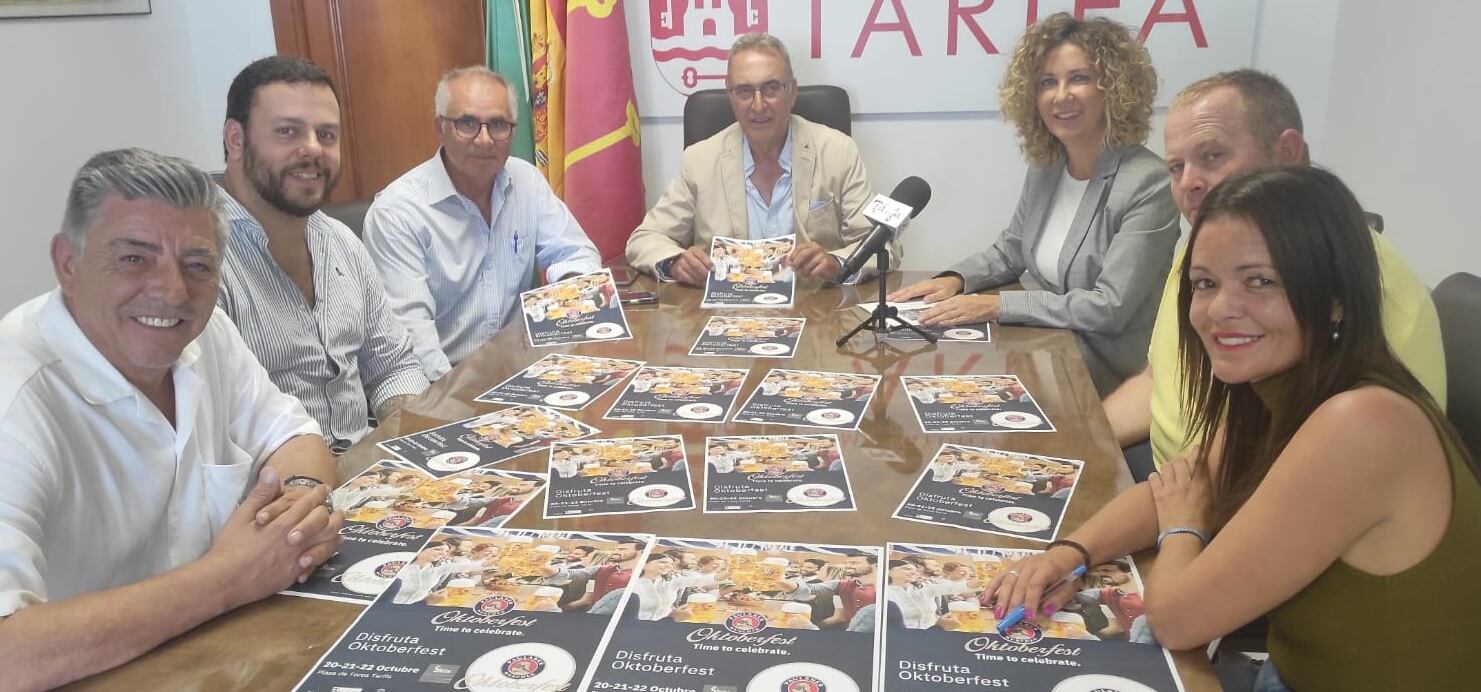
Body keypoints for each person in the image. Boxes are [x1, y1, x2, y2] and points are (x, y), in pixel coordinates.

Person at [983, 166, 1481, 690]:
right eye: (1205, 284)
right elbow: (1176, 485)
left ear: (1335, 299)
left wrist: (1183, 527)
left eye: (1260, 281)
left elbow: (1176, 618)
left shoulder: (1361, 424)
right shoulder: (1280, 388)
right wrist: (1067, 556)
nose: (1220, 309)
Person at [0, 149, 342, 688]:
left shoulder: (207, 333)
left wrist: (299, 508)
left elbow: (295, 435)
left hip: (222, 655)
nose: (173, 290)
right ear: (67, 263)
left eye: (198, 264)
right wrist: (228, 578)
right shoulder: (14, 400)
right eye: (135, 258)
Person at [1101, 69, 1446, 474]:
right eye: (1176, 167)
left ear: (1287, 151)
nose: (1189, 182)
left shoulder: (1352, 276)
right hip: (1173, 481)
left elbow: (1289, 477)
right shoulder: (1213, 242)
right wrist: (1081, 440)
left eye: (1212, 156)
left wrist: (1175, 519)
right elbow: (1157, 381)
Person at [889, 14, 1177, 395]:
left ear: (1113, 87)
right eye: (1047, 82)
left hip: (1105, 372)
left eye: (1079, 78)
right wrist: (956, 280)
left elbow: (1109, 306)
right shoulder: (1048, 165)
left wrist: (996, 306)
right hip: (1042, 348)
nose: (1061, 96)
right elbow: (1011, 249)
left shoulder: (1148, 183)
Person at [216, 56, 428, 452]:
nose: (312, 149)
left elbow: (392, 367)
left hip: (370, 475)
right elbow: (215, 431)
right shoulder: (198, 261)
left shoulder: (340, 241)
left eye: (326, 135)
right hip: (276, 497)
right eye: (288, 132)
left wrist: (414, 445)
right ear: (236, 140)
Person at [365, 66, 601, 380]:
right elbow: (412, 347)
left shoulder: (525, 180)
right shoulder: (397, 213)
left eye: (498, 125)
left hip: (521, 369)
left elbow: (578, 255)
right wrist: (463, 399)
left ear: (513, 131)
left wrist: (564, 299)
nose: (484, 139)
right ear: (440, 126)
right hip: (444, 381)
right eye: (467, 123)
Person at [625, 33, 892, 286]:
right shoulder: (699, 160)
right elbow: (644, 239)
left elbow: (881, 244)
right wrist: (675, 262)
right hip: (726, 314)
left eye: (771, 88)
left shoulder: (837, 151)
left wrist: (836, 263)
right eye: (744, 91)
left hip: (814, 310)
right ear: (731, 96)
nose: (758, 104)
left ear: (792, 91)